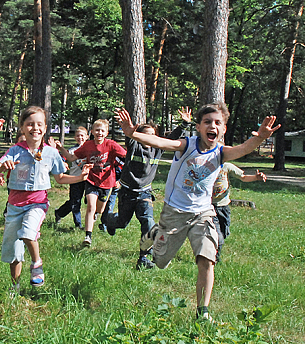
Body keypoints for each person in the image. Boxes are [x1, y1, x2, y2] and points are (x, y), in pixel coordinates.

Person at [115, 103, 279, 321]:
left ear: (224, 129)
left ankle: (203, 312)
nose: (213, 126)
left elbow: (244, 149)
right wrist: (132, 133)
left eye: (217, 123)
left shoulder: (221, 152)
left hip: (203, 213)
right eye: (207, 122)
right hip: (175, 212)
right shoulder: (187, 145)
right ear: (199, 127)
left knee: (206, 259)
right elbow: (161, 142)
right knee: (160, 261)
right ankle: (154, 234)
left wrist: (259, 138)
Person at [0, 106, 91, 292]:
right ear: (22, 128)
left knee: (28, 233)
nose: (34, 128)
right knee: (14, 252)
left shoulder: (51, 153)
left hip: (37, 204)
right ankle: (15, 287)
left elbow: (60, 178)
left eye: (39, 124)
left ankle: (37, 264)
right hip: (14, 206)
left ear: (44, 128)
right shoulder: (15, 150)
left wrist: (80, 178)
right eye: (29, 124)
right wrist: (2, 166)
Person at [103, 107, 192, 270]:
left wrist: (184, 124)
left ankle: (144, 257)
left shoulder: (157, 149)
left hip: (144, 192)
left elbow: (172, 138)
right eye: (146, 135)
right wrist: (130, 131)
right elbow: (130, 136)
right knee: (122, 223)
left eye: (153, 135)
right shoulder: (134, 146)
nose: (149, 139)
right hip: (127, 192)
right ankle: (108, 220)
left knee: (148, 223)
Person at [56, 119, 127, 247]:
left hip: (106, 182)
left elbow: (125, 157)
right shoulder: (87, 145)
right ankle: (88, 236)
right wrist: (61, 148)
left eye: (102, 130)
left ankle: (95, 216)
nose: (99, 133)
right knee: (90, 206)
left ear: (106, 132)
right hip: (91, 180)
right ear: (92, 132)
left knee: (99, 210)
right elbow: (72, 157)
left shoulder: (111, 144)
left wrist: (121, 179)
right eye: (97, 130)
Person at [212, 162, 266, 261]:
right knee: (217, 236)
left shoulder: (226, 166)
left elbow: (243, 177)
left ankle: (216, 246)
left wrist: (255, 177)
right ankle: (214, 259)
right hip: (210, 207)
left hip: (223, 206)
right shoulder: (205, 166)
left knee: (224, 232)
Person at [53, 127, 89, 229]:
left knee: (86, 199)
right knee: (75, 201)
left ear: (87, 137)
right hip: (75, 179)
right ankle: (78, 225)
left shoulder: (90, 148)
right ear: (74, 137)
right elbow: (62, 158)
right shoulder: (72, 150)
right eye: (78, 135)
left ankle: (60, 212)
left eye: (82, 135)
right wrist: (63, 162)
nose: (80, 137)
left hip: (88, 179)